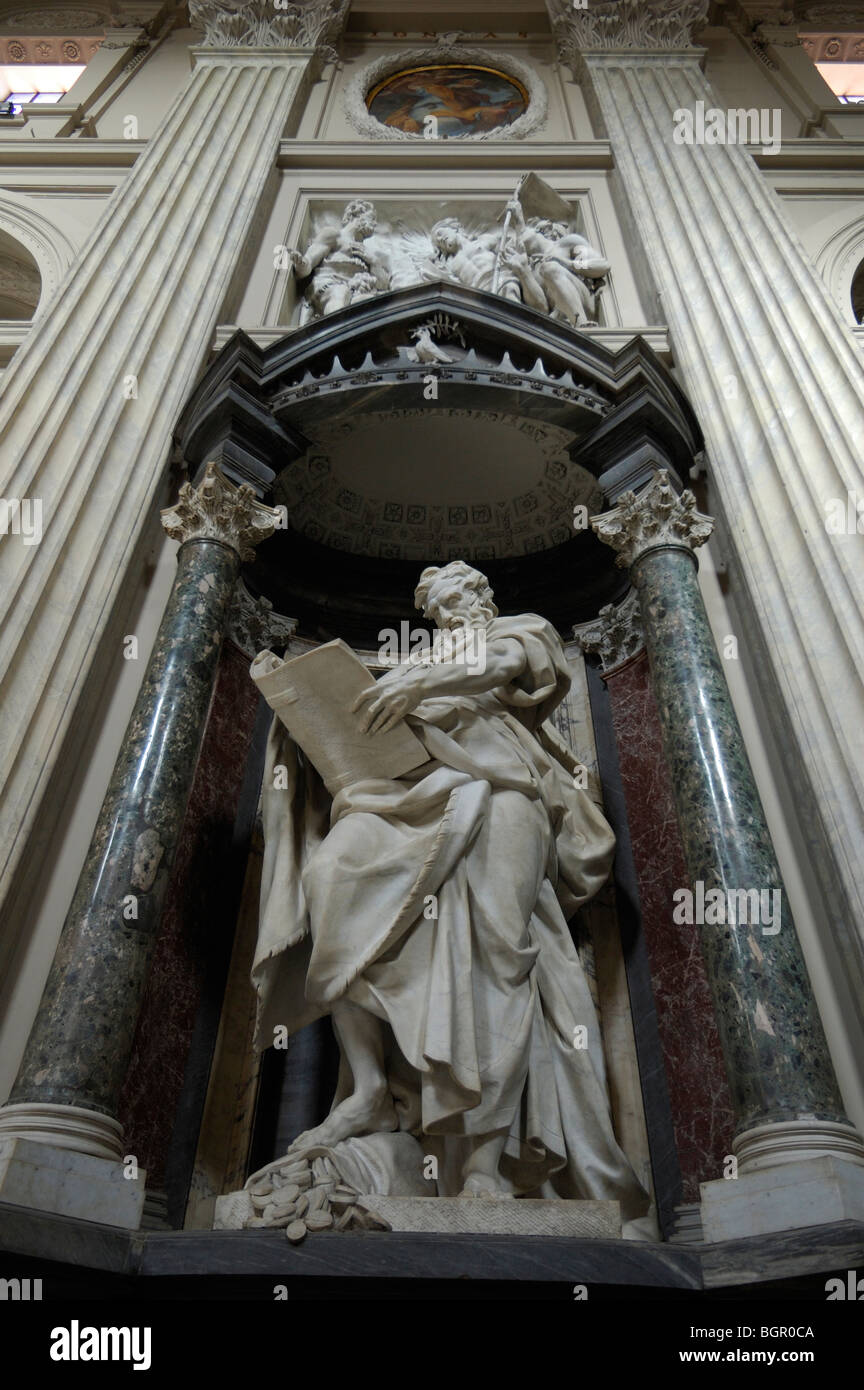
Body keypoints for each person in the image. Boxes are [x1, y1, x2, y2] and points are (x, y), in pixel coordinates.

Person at [252, 561, 649, 1217]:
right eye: (435, 608)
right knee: (332, 875)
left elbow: (494, 667)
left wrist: (417, 683)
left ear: (481, 595)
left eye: (454, 597)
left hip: (502, 796)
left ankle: (484, 1165)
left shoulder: (526, 631)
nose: (446, 612)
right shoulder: (415, 666)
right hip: (411, 795)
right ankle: (371, 1086)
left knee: (495, 961)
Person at [507, 199, 610, 326]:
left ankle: (581, 323)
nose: (519, 238)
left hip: (584, 304)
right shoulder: (533, 268)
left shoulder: (567, 243)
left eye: (525, 230)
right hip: (556, 320)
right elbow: (541, 309)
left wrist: (568, 263)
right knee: (548, 269)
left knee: (550, 268)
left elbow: (602, 266)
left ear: (546, 229)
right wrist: (524, 273)